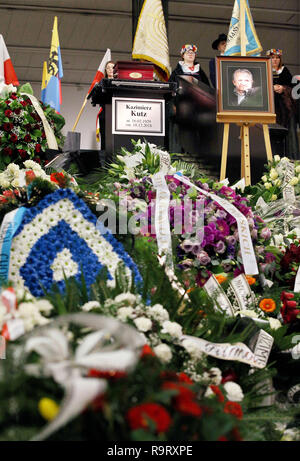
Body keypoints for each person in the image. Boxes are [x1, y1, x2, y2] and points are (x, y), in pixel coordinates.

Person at [266, 48, 299, 159]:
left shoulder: (285, 71)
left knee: (290, 134)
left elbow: (293, 89)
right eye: (272, 58)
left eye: (277, 58)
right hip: (271, 109)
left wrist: (283, 88)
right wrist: (271, 88)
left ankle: (292, 158)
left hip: (286, 110)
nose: (275, 60)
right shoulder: (265, 71)